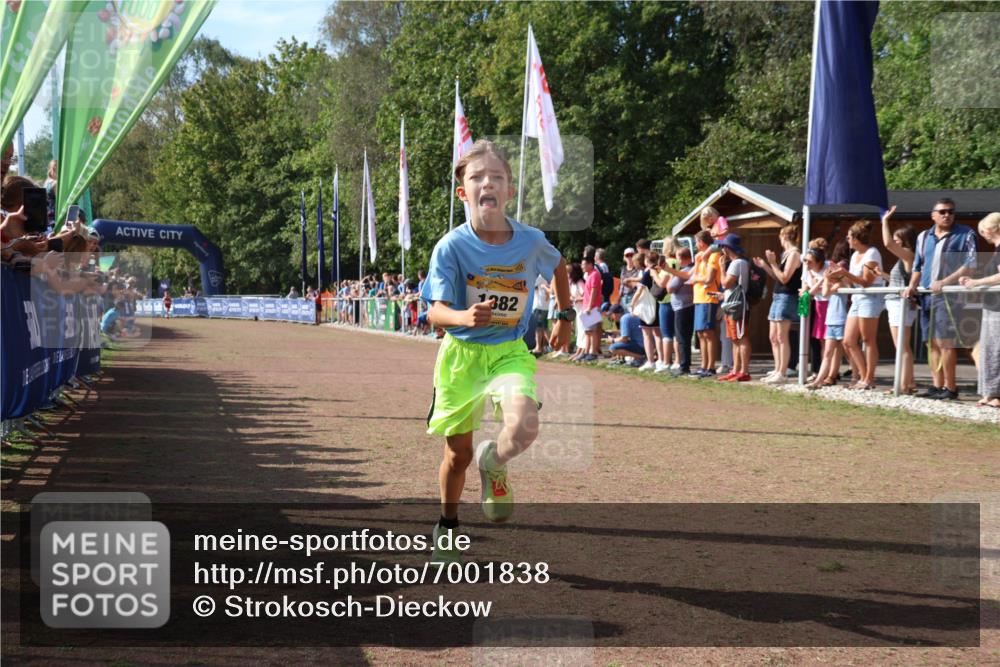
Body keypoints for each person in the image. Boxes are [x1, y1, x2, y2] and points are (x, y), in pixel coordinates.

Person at [420, 140, 571, 562]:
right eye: (477, 177)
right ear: (462, 192)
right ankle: (447, 527)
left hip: (508, 351)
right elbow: (434, 312)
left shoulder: (530, 240)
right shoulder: (451, 247)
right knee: (456, 454)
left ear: (508, 191)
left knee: (524, 427)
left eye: (498, 177)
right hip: (461, 358)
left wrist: (566, 313)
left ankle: (496, 461)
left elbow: (557, 265)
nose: (488, 182)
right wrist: (463, 317)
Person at [904, 198, 978, 401]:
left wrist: (945, 281)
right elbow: (918, 266)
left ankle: (951, 387)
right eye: (943, 211)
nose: (947, 215)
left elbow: (970, 264)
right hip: (926, 296)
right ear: (933, 215)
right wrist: (912, 285)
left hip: (949, 296)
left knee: (946, 342)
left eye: (951, 212)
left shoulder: (965, 234)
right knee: (931, 343)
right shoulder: (923, 237)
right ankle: (937, 386)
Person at [959, 213, 1000, 408]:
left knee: (994, 350)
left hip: (997, 308)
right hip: (992, 306)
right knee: (987, 349)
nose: (983, 235)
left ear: (993, 229)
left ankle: (995, 394)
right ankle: (989, 392)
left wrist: (976, 282)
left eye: (984, 231)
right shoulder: (995, 250)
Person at [754, 224, 801, 384]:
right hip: (778, 296)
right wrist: (766, 266)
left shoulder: (794, 254)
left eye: (780, 236)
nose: (779, 240)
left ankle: (782, 372)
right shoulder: (785, 254)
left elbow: (785, 278)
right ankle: (777, 369)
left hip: (788, 297)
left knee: (781, 336)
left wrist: (773, 263)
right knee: (773, 336)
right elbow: (778, 278)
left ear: (785, 237)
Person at [880, 205, 919, 395]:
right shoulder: (905, 259)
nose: (894, 243)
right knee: (902, 346)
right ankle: (909, 382)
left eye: (898, 240)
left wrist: (884, 221)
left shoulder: (909, 255)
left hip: (900, 303)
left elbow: (887, 244)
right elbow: (900, 280)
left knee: (901, 346)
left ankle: (903, 385)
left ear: (905, 241)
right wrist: (882, 275)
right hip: (897, 301)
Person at [808, 242, 852, 390]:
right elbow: (824, 292)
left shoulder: (841, 284)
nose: (831, 272)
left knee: (847, 349)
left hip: (840, 318)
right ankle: (819, 380)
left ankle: (858, 376)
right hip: (830, 319)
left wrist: (831, 278)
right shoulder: (831, 281)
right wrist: (825, 278)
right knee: (827, 352)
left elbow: (828, 291)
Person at [716, 234, 752, 382]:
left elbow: (726, 283)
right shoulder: (738, 262)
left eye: (723, 246)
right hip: (733, 304)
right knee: (735, 339)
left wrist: (721, 268)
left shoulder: (737, 263)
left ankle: (743, 371)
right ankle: (736, 370)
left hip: (738, 306)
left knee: (741, 338)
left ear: (728, 248)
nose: (722, 249)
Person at [690, 230, 722, 377]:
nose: (696, 245)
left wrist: (697, 278)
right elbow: (694, 275)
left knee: (708, 333)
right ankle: (703, 365)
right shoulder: (701, 257)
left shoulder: (714, 255)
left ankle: (710, 366)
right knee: (700, 333)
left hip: (709, 298)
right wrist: (698, 261)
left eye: (696, 242)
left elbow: (708, 278)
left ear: (702, 243)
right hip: (699, 298)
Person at [800, 239, 830, 380]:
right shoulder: (808, 270)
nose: (806, 264)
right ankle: (822, 372)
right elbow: (806, 289)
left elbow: (814, 290)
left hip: (829, 305)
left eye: (809, 261)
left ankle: (828, 372)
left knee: (829, 341)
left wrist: (813, 287)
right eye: (805, 261)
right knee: (821, 340)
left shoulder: (828, 267)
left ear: (819, 262)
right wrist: (810, 287)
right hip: (818, 306)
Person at [665, 246, 695, 376]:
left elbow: (670, 288)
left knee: (682, 337)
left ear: (681, 259)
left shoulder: (684, 272)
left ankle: (684, 366)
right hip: (687, 306)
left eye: (677, 258)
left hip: (682, 307)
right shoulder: (690, 269)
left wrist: (673, 273)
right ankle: (685, 364)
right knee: (685, 337)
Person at [652, 239, 678, 373]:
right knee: (675, 333)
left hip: (667, 301)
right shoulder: (677, 261)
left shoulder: (670, 262)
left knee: (667, 333)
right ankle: (676, 361)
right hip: (675, 300)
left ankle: (667, 362)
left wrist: (654, 273)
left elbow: (662, 283)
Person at [635, 251, 663, 371]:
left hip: (647, 305)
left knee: (647, 334)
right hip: (657, 302)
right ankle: (661, 360)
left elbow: (640, 289)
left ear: (647, 261)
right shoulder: (659, 270)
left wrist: (633, 302)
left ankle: (651, 360)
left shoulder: (647, 272)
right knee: (658, 333)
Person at [576, 254, 603, 363]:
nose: (582, 267)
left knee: (593, 331)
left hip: (592, 307)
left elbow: (594, 291)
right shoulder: (590, 275)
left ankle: (593, 352)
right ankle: (587, 352)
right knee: (588, 331)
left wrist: (590, 307)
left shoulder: (595, 275)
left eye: (583, 265)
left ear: (590, 264)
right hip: (587, 306)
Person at [531, 274, 551, 356]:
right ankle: (546, 346)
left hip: (539, 306)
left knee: (539, 328)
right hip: (544, 305)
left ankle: (539, 347)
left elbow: (532, 285)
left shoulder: (540, 276)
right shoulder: (548, 275)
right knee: (544, 327)